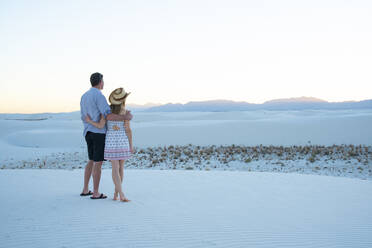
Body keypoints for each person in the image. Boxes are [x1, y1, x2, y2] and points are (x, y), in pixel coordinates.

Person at [80, 73, 132, 200]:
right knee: (98, 163)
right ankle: (96, 192)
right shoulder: (99, 96)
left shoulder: (84, 96)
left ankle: (85, 189)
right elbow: (108, 116)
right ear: (101, 82)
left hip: (88, 132)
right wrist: (125, 117)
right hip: (98, 133)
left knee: (91, 160)